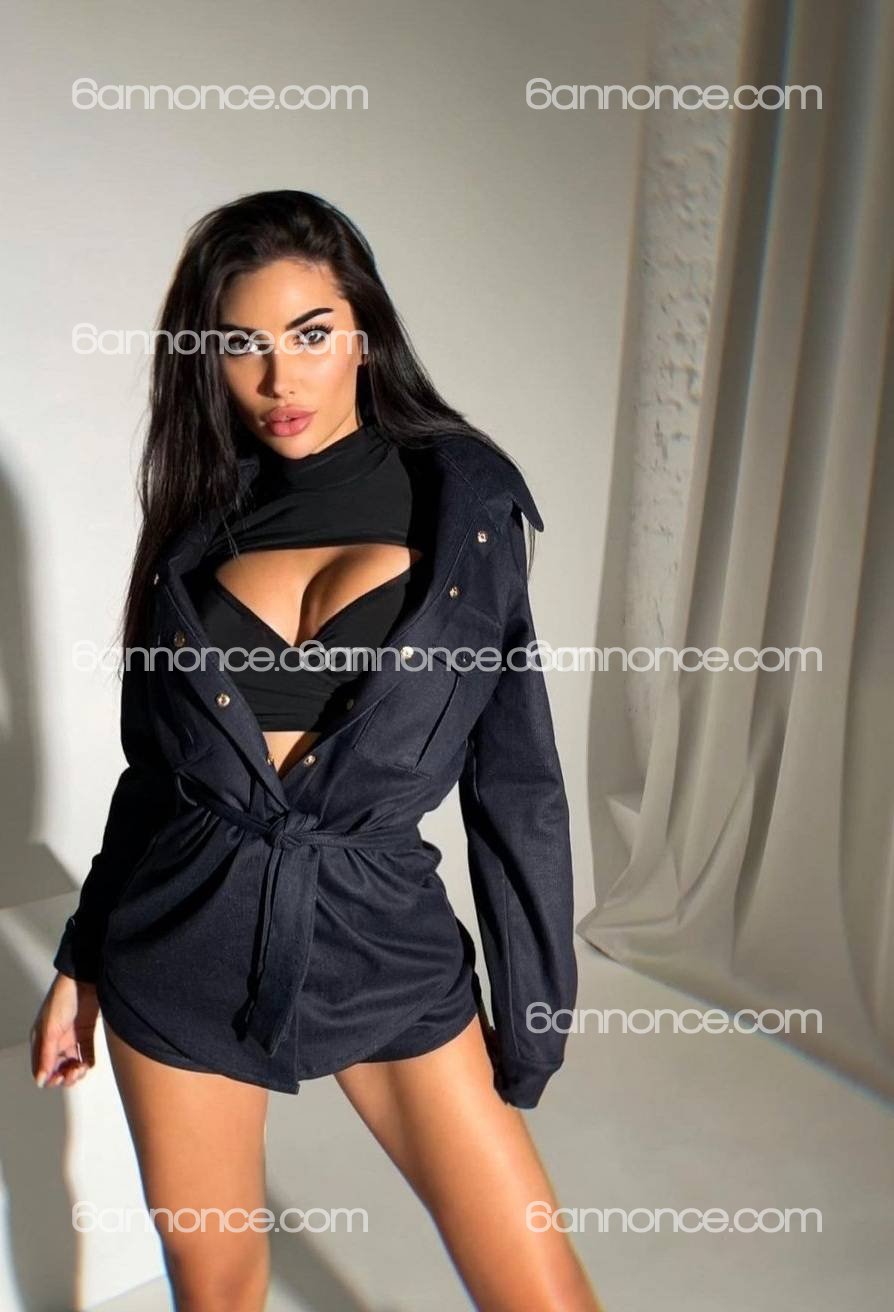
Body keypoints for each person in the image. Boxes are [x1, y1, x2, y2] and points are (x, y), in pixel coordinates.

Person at [30, 190, 603, 1311]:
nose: (278, 379)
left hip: (384, 939)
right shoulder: (194, 530)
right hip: (180, 945)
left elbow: (518, 783)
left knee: (542, 1293)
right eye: (241, 344)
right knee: (219, 1291)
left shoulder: (465, 504)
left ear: (365, 333)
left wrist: (534, 1011)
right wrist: (81, 958)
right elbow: (156, 777)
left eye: (309, 334)